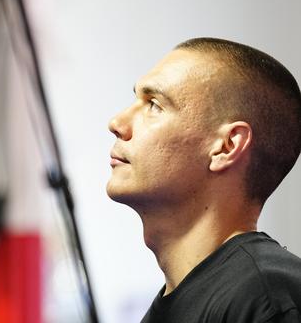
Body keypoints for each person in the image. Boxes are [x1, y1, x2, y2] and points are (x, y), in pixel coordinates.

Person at [108, 37, 301, 322]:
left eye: (155, 105)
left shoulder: (264, 300)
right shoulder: (172, 306)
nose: (117, 123)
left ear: (227, 147)